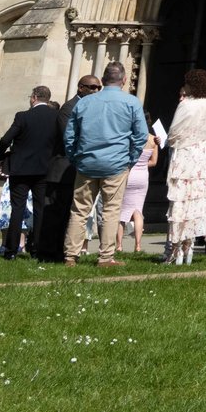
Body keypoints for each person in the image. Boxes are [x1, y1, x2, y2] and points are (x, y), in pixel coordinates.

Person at [62, 60, 147, 267]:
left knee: (79, 210)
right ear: (124, 80)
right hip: (116, 164)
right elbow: (141, 135)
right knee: (111, 210)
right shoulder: (131, 102)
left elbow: (70, 136)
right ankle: (105, 257)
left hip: (87, 162)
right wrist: (130, 159)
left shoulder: (85, 102)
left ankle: (70, 255)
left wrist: (76, 157)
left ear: (102, 80)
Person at [0, 84, 61, 260]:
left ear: (34, 98)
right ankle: (36, 248)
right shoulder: (56, 117)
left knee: (18, 208)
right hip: (45, 169)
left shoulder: (23, 116)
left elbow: (6, 139)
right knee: (40, 210)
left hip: (21, 169)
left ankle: (11, 250)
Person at [164, 68, 206, 265]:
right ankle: (188, 250)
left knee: (182, 201)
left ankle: (177, 251)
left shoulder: (187, 105)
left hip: (186, 155)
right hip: (204, 156)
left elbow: (173, 134)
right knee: (197, 203)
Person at [40, 75, 99, 262]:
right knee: (54, 213)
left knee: (67, 214)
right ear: (80, 87)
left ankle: (61, 251)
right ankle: (48, 253)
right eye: (92, 87)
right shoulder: (69, 107)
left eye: (99, 87)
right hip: (62, 169)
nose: (96, 91)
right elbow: (69, 138)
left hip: (76, 168)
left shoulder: (91, 107)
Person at [118, 113, 159, 257]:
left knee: (122, 211)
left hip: (130, 173)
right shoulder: (153, 139)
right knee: (137, 211)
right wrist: (142, 164)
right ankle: (138, 245)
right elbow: (154, 162)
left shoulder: (132, 137)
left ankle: (119, 245)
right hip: (143, 176)